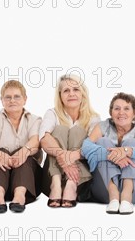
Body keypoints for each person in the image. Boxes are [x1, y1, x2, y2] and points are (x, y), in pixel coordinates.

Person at [82, 92, 135, 214]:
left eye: (126, 108)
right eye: (117, 109)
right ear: (111, 113)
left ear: (134, 113)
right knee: (103, 142)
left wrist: (127, 151)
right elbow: (85, 147)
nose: (121, 112)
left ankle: (126, 196)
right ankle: (114, 195)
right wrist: (111, 154)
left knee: (131, 142)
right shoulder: (102, 126)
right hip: (104, 190)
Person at [0, 80, 43, 213]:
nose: (12, 101)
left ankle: (19, 197)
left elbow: (35, 141)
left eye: (17, 97)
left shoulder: (35, 119)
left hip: (27, 181)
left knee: (24, 154)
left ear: (25, 99)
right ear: (2, 100)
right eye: (8, 97)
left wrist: (24, 152)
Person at [40, 74, 100, 208]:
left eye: (76, 89)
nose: (71, 94)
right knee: (60, 130)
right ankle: (55, 184)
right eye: (66, 90)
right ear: (60, 95)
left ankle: (71, 185)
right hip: (52, 175)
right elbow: (43, 138)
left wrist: (72, 156)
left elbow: (94, 146)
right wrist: (64, 159)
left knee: (77, 131)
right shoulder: (52, 113)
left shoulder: (94, 118)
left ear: (83, 94)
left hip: (80, 179)